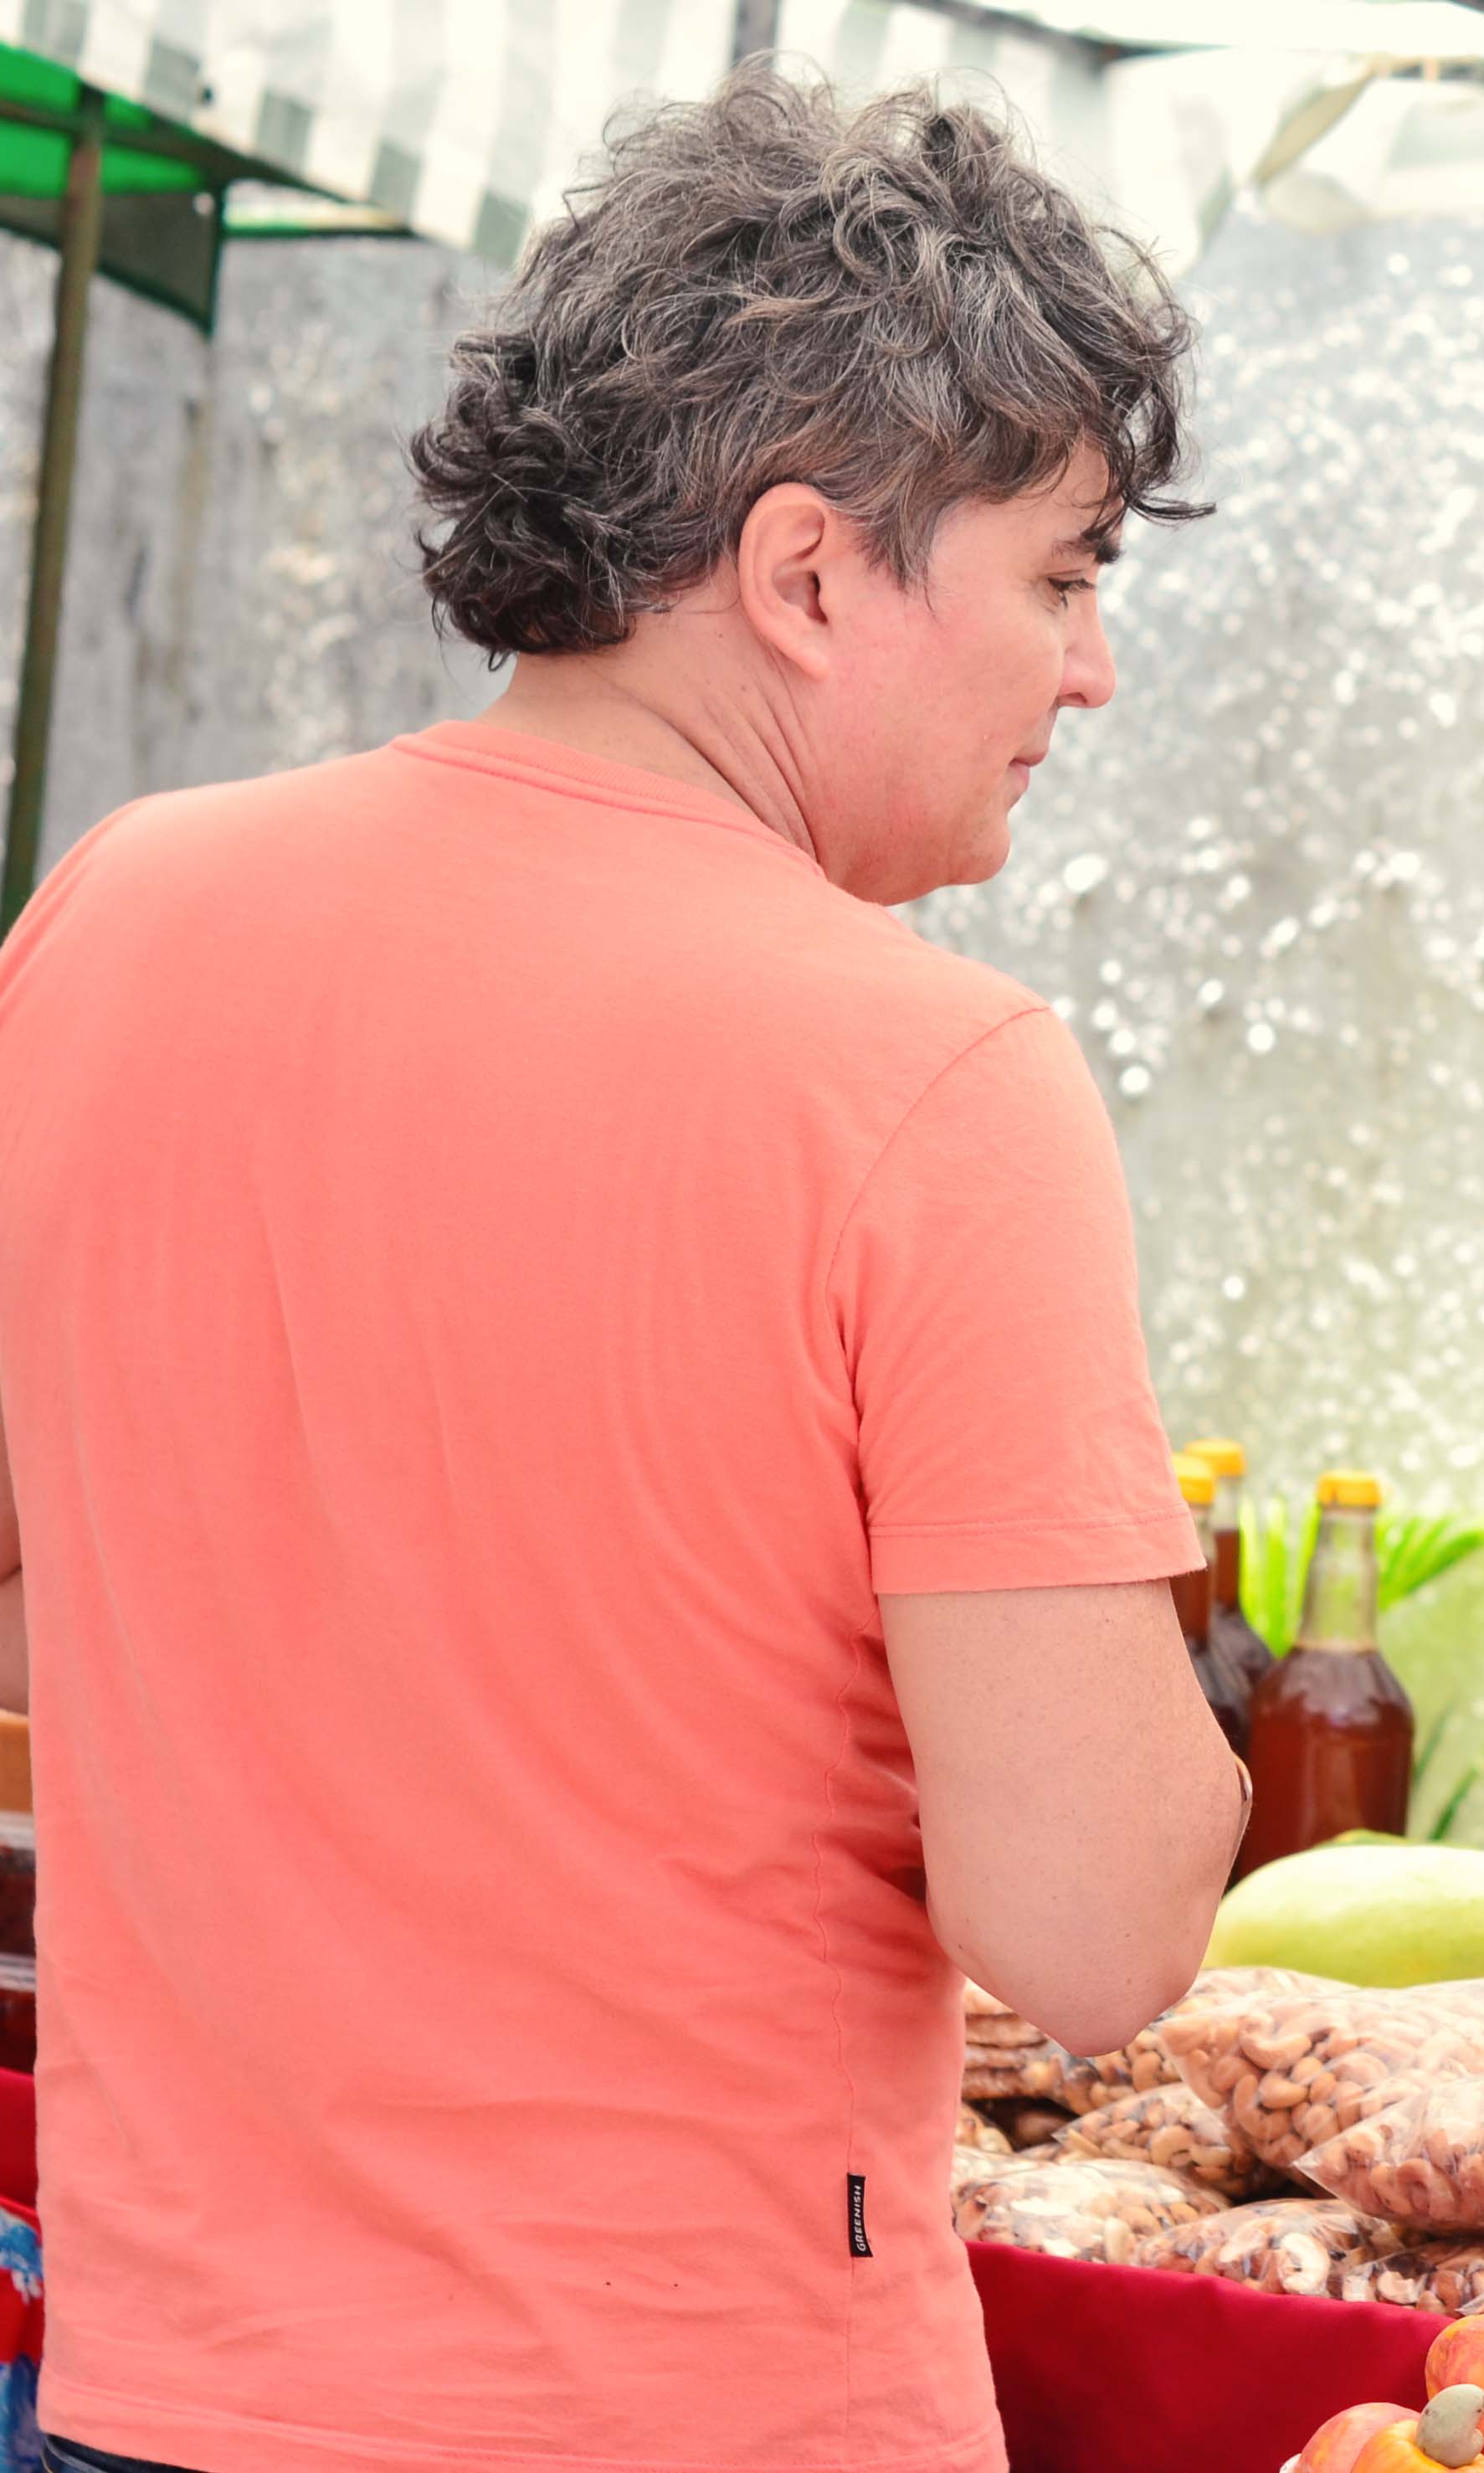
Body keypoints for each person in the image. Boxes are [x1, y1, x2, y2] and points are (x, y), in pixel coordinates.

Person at [0, 69, 1245, 2473]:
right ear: (805, 574)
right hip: (697, 2408)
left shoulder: (110, 918)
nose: (1090, 672)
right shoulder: (930, 1077)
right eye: (1062, 577)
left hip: (156, 2398)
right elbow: (1094, 1932)